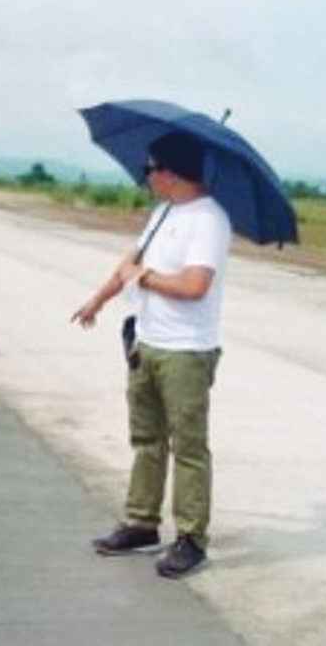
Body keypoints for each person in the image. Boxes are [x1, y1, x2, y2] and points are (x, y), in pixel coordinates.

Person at [71, 134, 231, 578]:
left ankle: (192, 539)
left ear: (171, 173)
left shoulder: (209, 219)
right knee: (146, 439)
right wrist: (98, 300)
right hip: (146, 341)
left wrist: (145, 278)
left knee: (189, 447)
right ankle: (141, 522)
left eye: (150, 170)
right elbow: (128, 263)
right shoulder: (163, 213)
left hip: (186, 351)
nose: (146, 177)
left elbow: (194, 286)